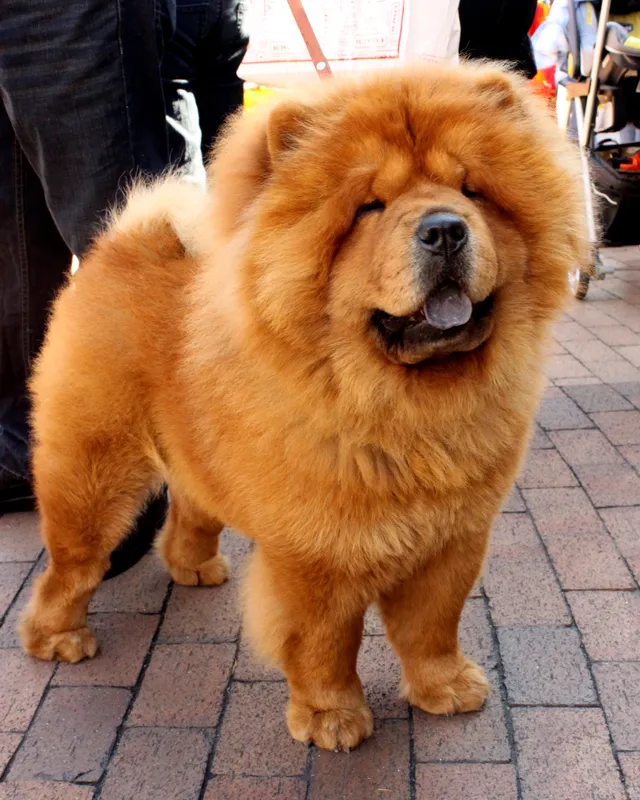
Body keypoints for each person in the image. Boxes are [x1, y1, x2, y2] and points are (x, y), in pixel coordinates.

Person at [162, 0, 249, 183]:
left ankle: (191, 205)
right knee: (227, 147)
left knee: (179, 164)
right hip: (230, 9)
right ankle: (226, 205)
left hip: (180, 12)